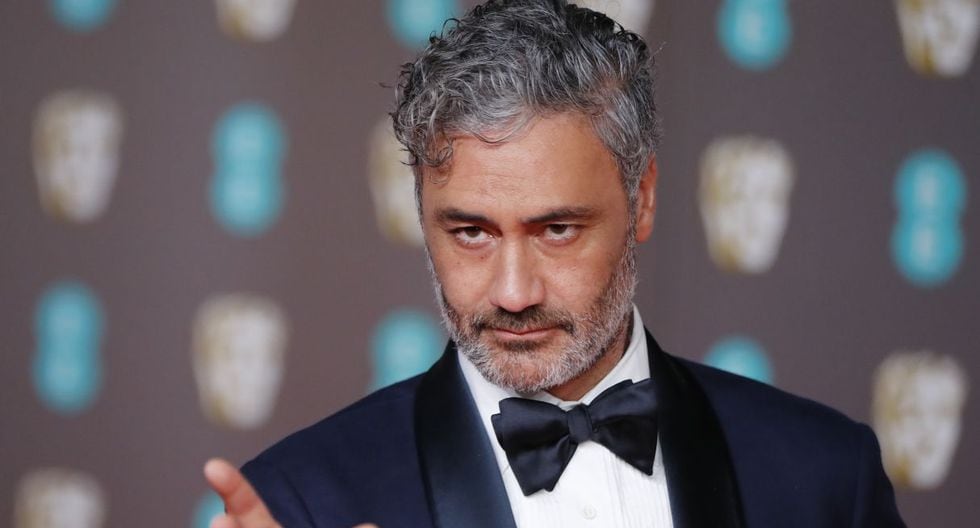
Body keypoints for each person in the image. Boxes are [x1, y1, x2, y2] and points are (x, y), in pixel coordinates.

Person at [204, 1, 906, 526]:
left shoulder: (826, 478)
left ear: (643, 198)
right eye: (471, 232)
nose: (513, 294)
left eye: (558, 229)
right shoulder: (301, 500)